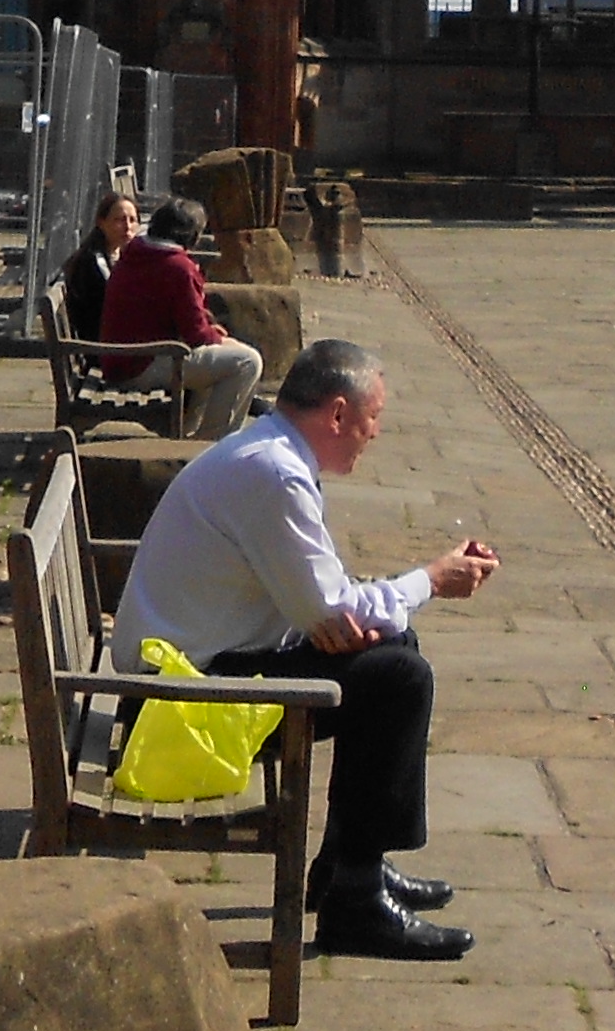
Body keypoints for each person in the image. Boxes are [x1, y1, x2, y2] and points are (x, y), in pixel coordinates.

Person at [109, 338, 497, 962]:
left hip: (191, 673)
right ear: (338, 413)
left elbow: (326, 605)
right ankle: (355, 906)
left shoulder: (268, 453)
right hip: (180, 705)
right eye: (373, 418)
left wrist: (346, 617)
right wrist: (431, 580)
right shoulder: (274, 474)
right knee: (398, 678)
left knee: (395, 645)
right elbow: (332, 610)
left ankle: (349, 867)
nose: (375, 434)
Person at [101, 194, 266, 439]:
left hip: (122, 359)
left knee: (223, 356)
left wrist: (212, 334)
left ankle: (187, 429)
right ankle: (212, 441)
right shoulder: (178, 267)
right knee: (247, 361)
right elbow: (196, 335)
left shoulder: (137, 252)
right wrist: (217, 336)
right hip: (141, 364)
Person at [60, 188, 130, 341]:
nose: (128, 227)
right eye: (119, 220)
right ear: (101, 222)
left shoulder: (113, 254)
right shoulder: (93, 262)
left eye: (133, 220)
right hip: (103, 346)